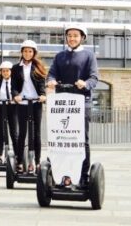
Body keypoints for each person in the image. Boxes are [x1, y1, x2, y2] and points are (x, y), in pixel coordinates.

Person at [47, 25, 100, 187]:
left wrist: (85, 83)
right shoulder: (60, 56)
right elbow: (52, 73)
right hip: (63, 104)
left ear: (82, 37)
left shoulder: (89, 56)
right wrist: (51, 81)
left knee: (81, 141)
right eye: (69, 35)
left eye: (75, 35)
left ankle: (83, 176)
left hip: (82, 103)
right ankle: (62, 174)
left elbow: (94, 77)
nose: (72, 38)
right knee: (60, 139)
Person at [12, 40, 47, 174]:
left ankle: (37, 162)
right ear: (22, 52)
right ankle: (20, 161)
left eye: (30, 51)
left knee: (36, 133)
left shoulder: (38, 67)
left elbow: (42, 84)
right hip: (22, 103)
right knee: (22, 133)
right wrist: (15, 95)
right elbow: (13, 86)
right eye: (25, 51)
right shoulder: (16, 68)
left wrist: (43, 94)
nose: (27, 53)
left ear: (34, 53)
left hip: (36, 103)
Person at [0, 61, 18, 164]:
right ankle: (1, 156)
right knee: (1, 132)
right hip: (1, 107)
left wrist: (15, 99)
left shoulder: (15, 82)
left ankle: (16, 155)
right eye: (3, 71)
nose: (5, 73)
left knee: (14, 132)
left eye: (7, 71)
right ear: (1, 72)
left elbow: (18, 94)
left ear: (11, 71)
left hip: (12, 108)